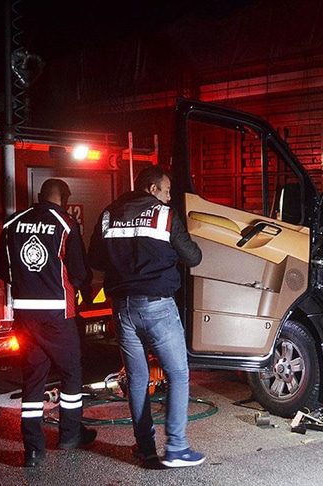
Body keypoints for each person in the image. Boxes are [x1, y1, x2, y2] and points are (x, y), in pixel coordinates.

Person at [87, 166, 205, 468]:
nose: (168, 197)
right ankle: (177, 447)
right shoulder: (165, 215)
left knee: (138, 379)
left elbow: (96, 259)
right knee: (177, 374)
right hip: (157, 306)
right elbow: (192, 257)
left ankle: (145, 448)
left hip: (123, 308)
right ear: (152, 189)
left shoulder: (109, 213)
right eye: (166, 191)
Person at [0, 178, 96, 468]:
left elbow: (3, 269)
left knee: (33, 377)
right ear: (65, 199)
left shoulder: (12, 223)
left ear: (39, 196)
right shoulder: (65, 224)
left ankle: (33, 449)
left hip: (25, 315)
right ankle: (69, 435)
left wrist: (31, 285)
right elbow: (79, 271)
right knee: (71, 371)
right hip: (57, 315)